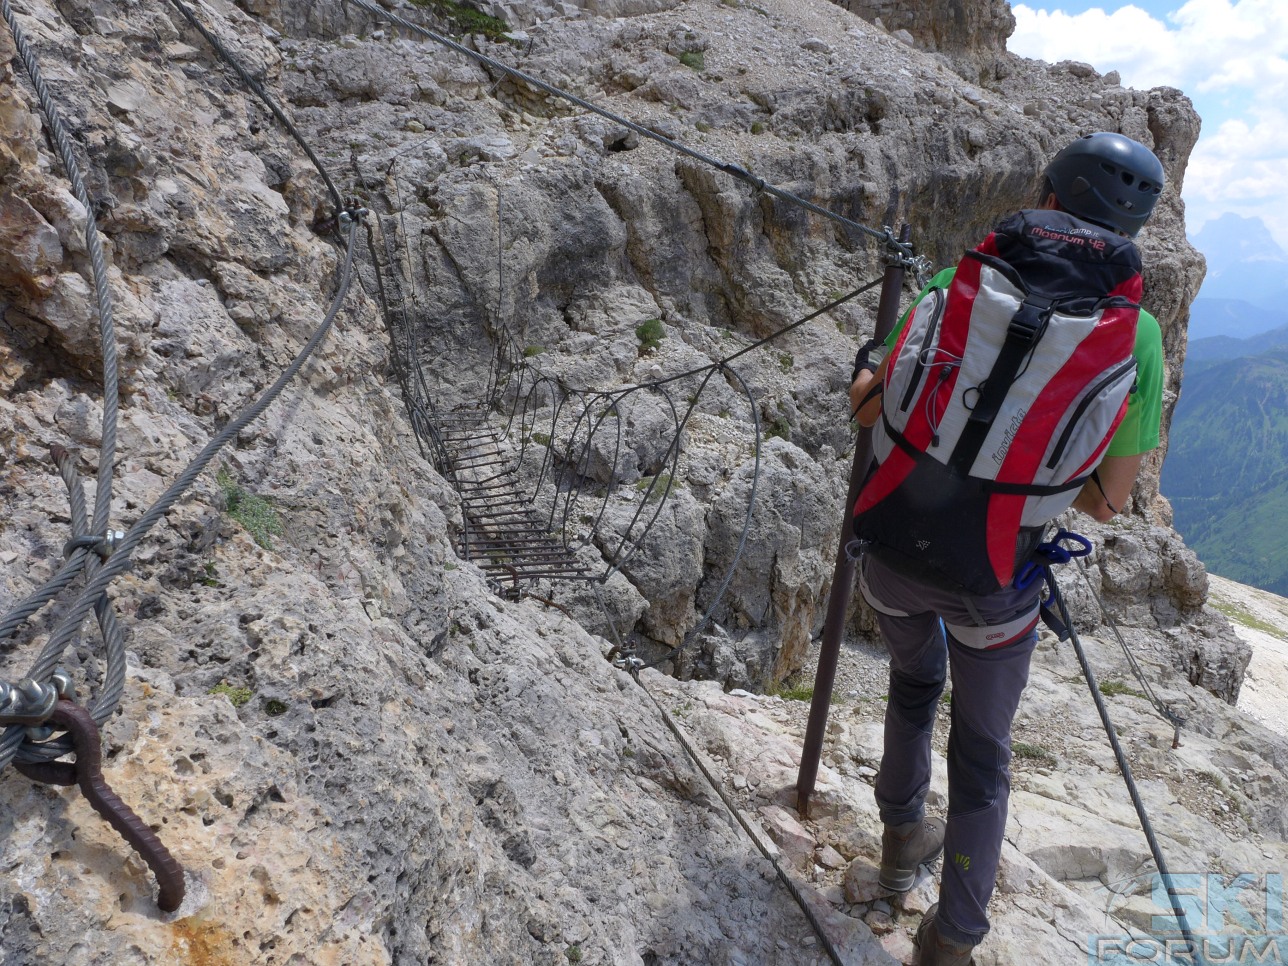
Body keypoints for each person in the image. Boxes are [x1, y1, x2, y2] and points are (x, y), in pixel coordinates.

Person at [846, 132, 1166, 965]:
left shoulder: (956, 282)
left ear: (1047, 195)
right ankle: (951, 940)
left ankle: (897, 845)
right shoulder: (1135, 335)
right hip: (998, 578)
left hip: (891, 553)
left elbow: (867, 408)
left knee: (912, 687)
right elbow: (1108, 500)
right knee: (982, 755)